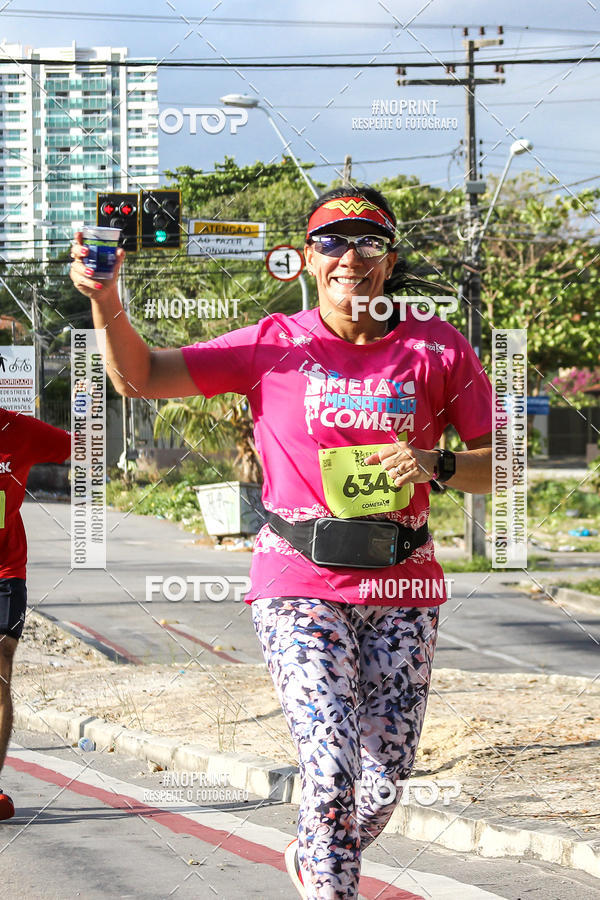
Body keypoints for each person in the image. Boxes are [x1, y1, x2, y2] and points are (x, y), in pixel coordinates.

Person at [70, 185, 492, 900]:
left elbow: (503, 464)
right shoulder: (273, 344)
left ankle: (311, 852)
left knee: (381, 784)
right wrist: (106, 300)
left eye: (368, 241)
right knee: (330, 769)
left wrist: (436, 463)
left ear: (389, 261)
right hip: (298, 580)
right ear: (307, 258)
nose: (349, 257)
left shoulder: (436, 346)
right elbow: (140, 378)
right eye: (331, 242)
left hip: (404, 584)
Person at [0, 407, 71, 819]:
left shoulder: (19, 430)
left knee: (0, 668)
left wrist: (90, 404)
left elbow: (81, 446)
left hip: (6, 572)